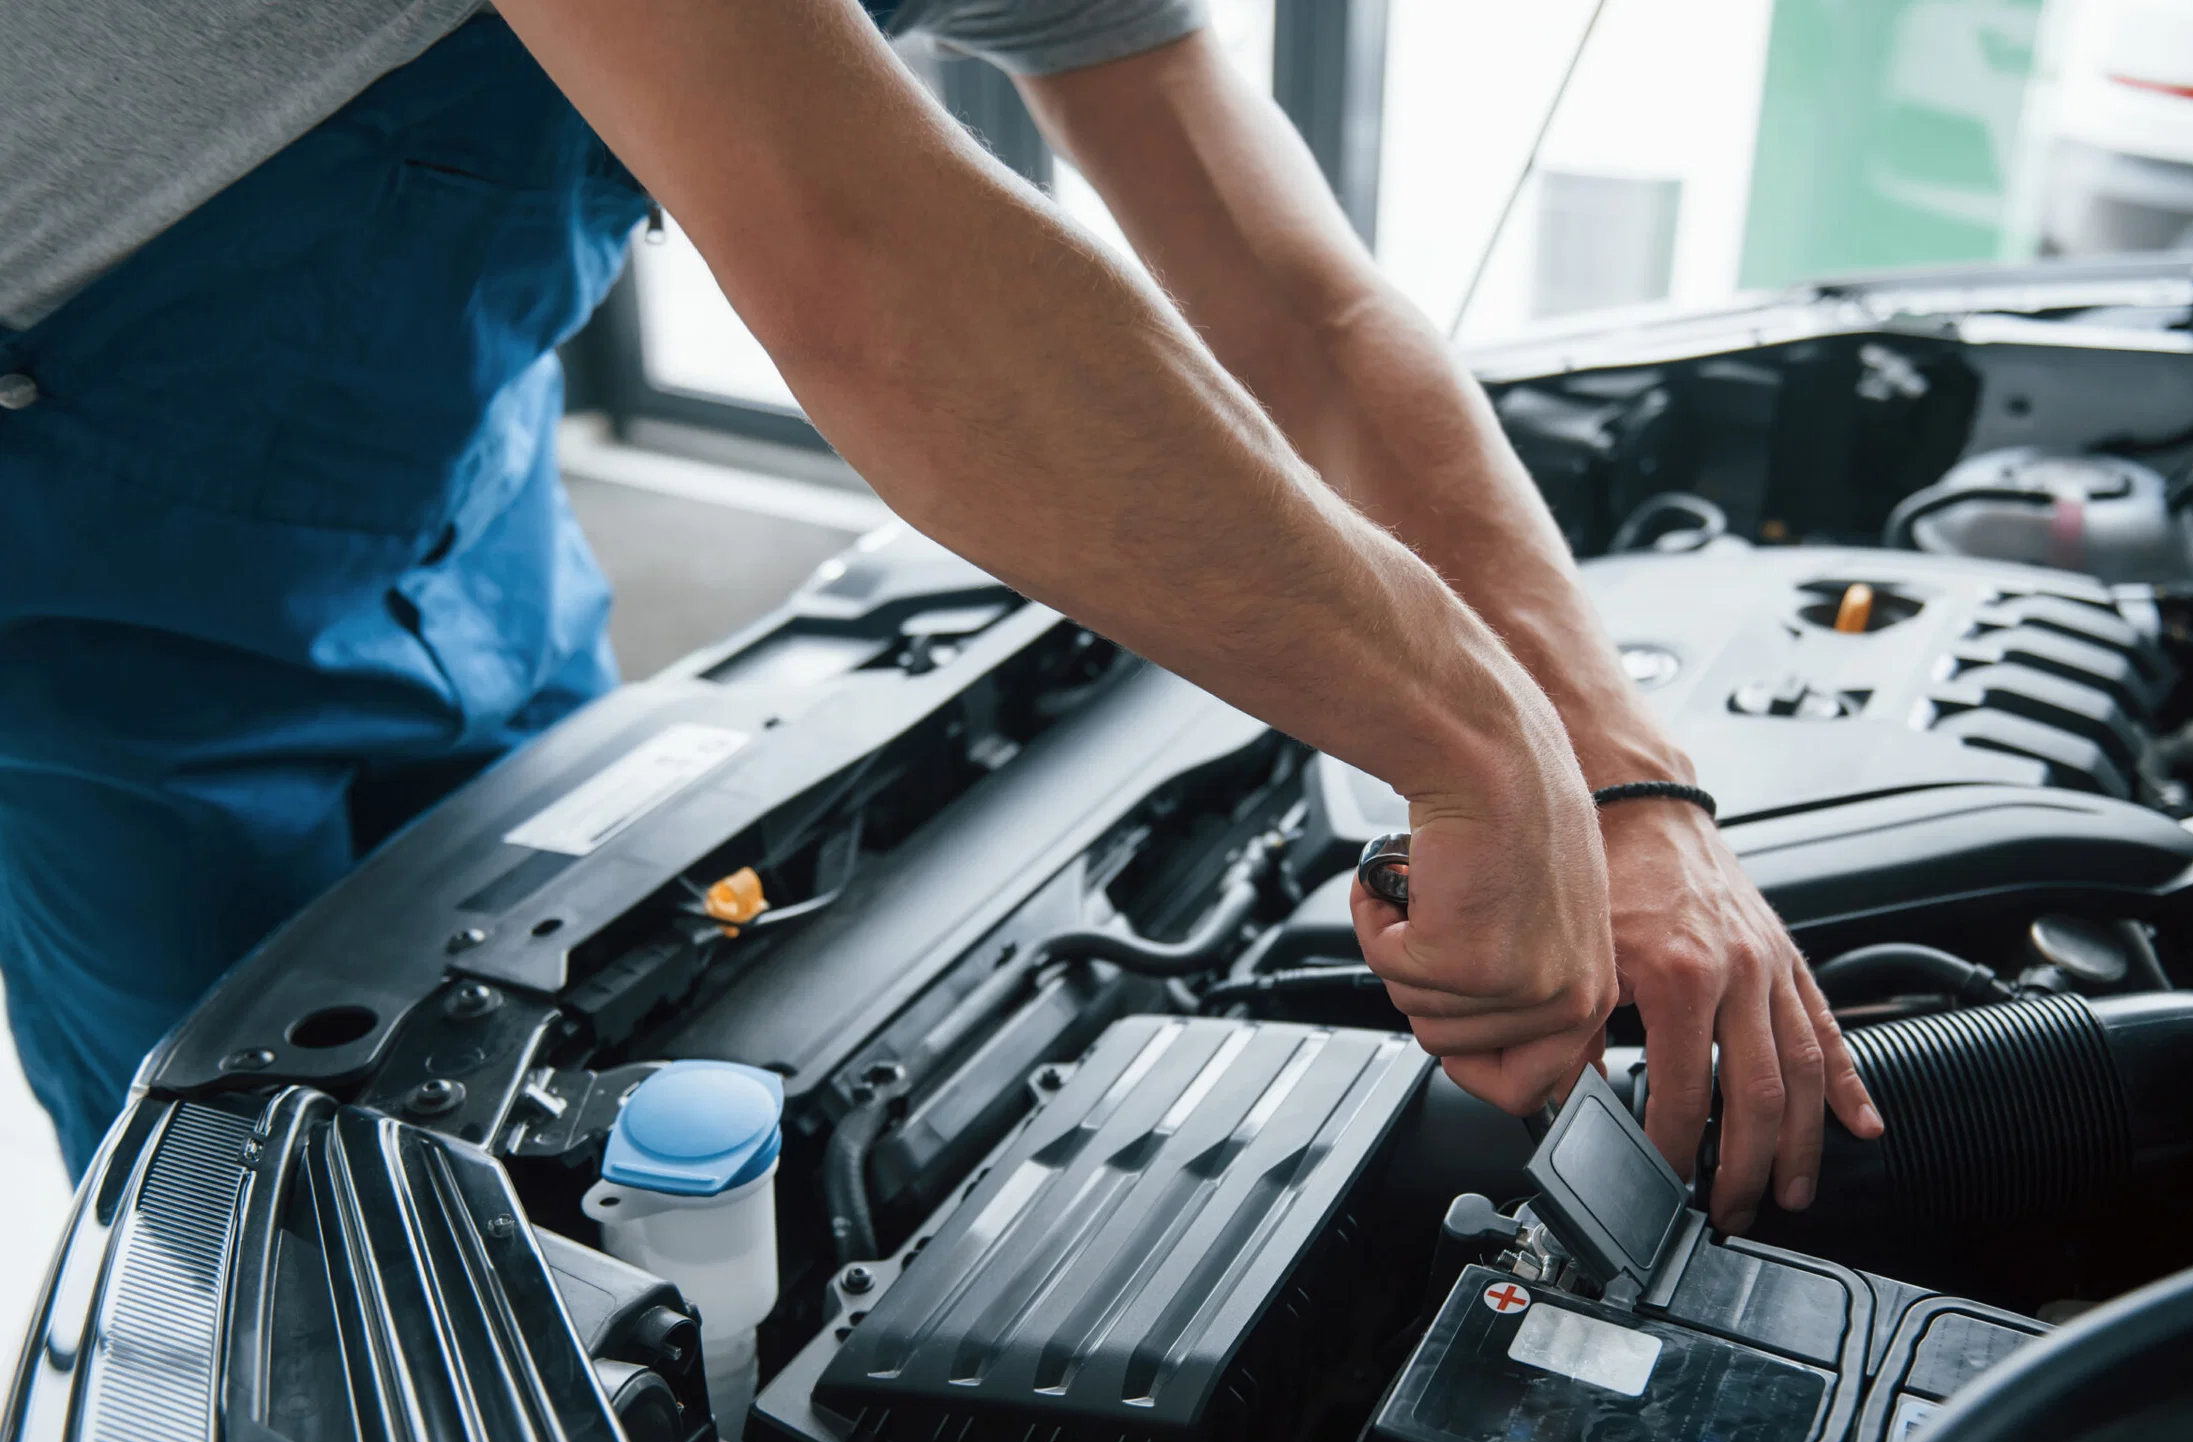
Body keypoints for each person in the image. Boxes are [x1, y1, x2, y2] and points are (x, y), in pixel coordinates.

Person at [0, 0, 1879, 1222]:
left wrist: (1621, 772)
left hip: (442, 478)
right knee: (266, 1212)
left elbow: (1298, 301)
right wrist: (1482, 751)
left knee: (567, 1039)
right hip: (76, 565)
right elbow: (864, 254)